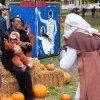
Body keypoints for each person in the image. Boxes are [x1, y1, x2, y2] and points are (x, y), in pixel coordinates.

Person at [60, 13, 100, 100]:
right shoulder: (95, 33)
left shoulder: (76, 38)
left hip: (89, 77)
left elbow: (65, 65)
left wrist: (63, 51)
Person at [1, 17, 34, 100]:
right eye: (17, 21)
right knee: (19, 72)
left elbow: (29, 49)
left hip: (21, 59)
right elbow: (4, 49)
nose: (19, 23)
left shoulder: (23, 34)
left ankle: (30, 96)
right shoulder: (6, 33)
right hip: (8, 59)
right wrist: (15, 52)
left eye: (21, 22)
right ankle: (22, 91)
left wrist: (26, 46)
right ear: (12, 23)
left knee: (27, 72)